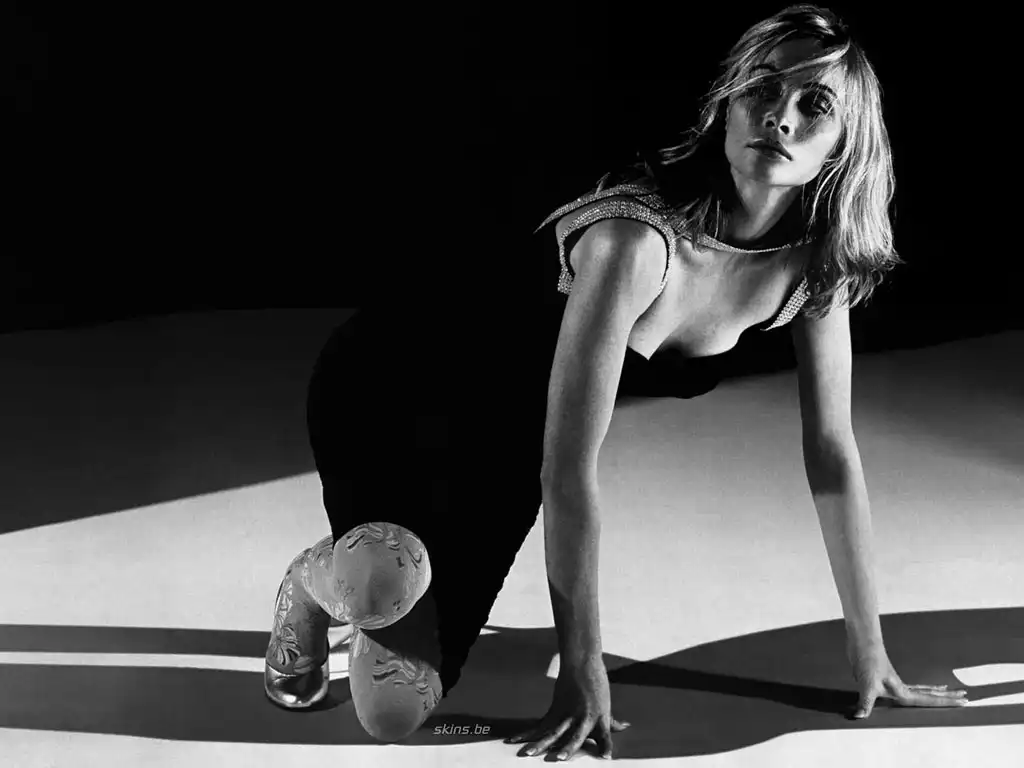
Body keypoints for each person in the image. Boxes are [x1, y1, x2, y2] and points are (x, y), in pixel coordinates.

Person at [263, 3, 969, 758]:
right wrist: (582, 667)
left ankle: (377, 579)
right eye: (762, 89)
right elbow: (570, 468)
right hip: (394, 383)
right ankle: (310, 586)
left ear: (844, 144)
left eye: (814, 104)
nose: (781, 117)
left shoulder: (814, 265)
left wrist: (869, 649)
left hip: (506, 450)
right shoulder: (634, 241)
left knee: (394, 716)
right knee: (381, 580)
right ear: (726, 105)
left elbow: (831, 456)